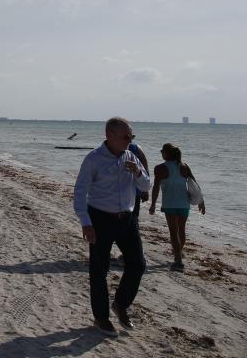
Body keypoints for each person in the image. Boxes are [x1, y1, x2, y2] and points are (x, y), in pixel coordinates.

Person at [72, 117, 151, 336]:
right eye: (126, 137)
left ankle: (121, 305)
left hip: (127, 218)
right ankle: (101, 317)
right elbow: (79, 193)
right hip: (100, 218)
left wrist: (138, 172)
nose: (130, 140)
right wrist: (86, 222)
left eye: (131, 137)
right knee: (99, 270)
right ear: (109, 136)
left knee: (137, 265)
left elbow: (146, 185)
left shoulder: (131, 156)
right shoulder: (94, 159)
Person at [149, 143, 206, 271]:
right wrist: (201, 201)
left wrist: (153, 204)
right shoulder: (184, 166)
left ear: (167, 153)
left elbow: (156, 187)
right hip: (184, 203)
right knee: (181, 230)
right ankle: (177, 255)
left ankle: (179, 261)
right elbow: (195, 185)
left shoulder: (160, 168)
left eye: (162, 151)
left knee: (174, 232)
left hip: (170, 204)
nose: (161, 153)